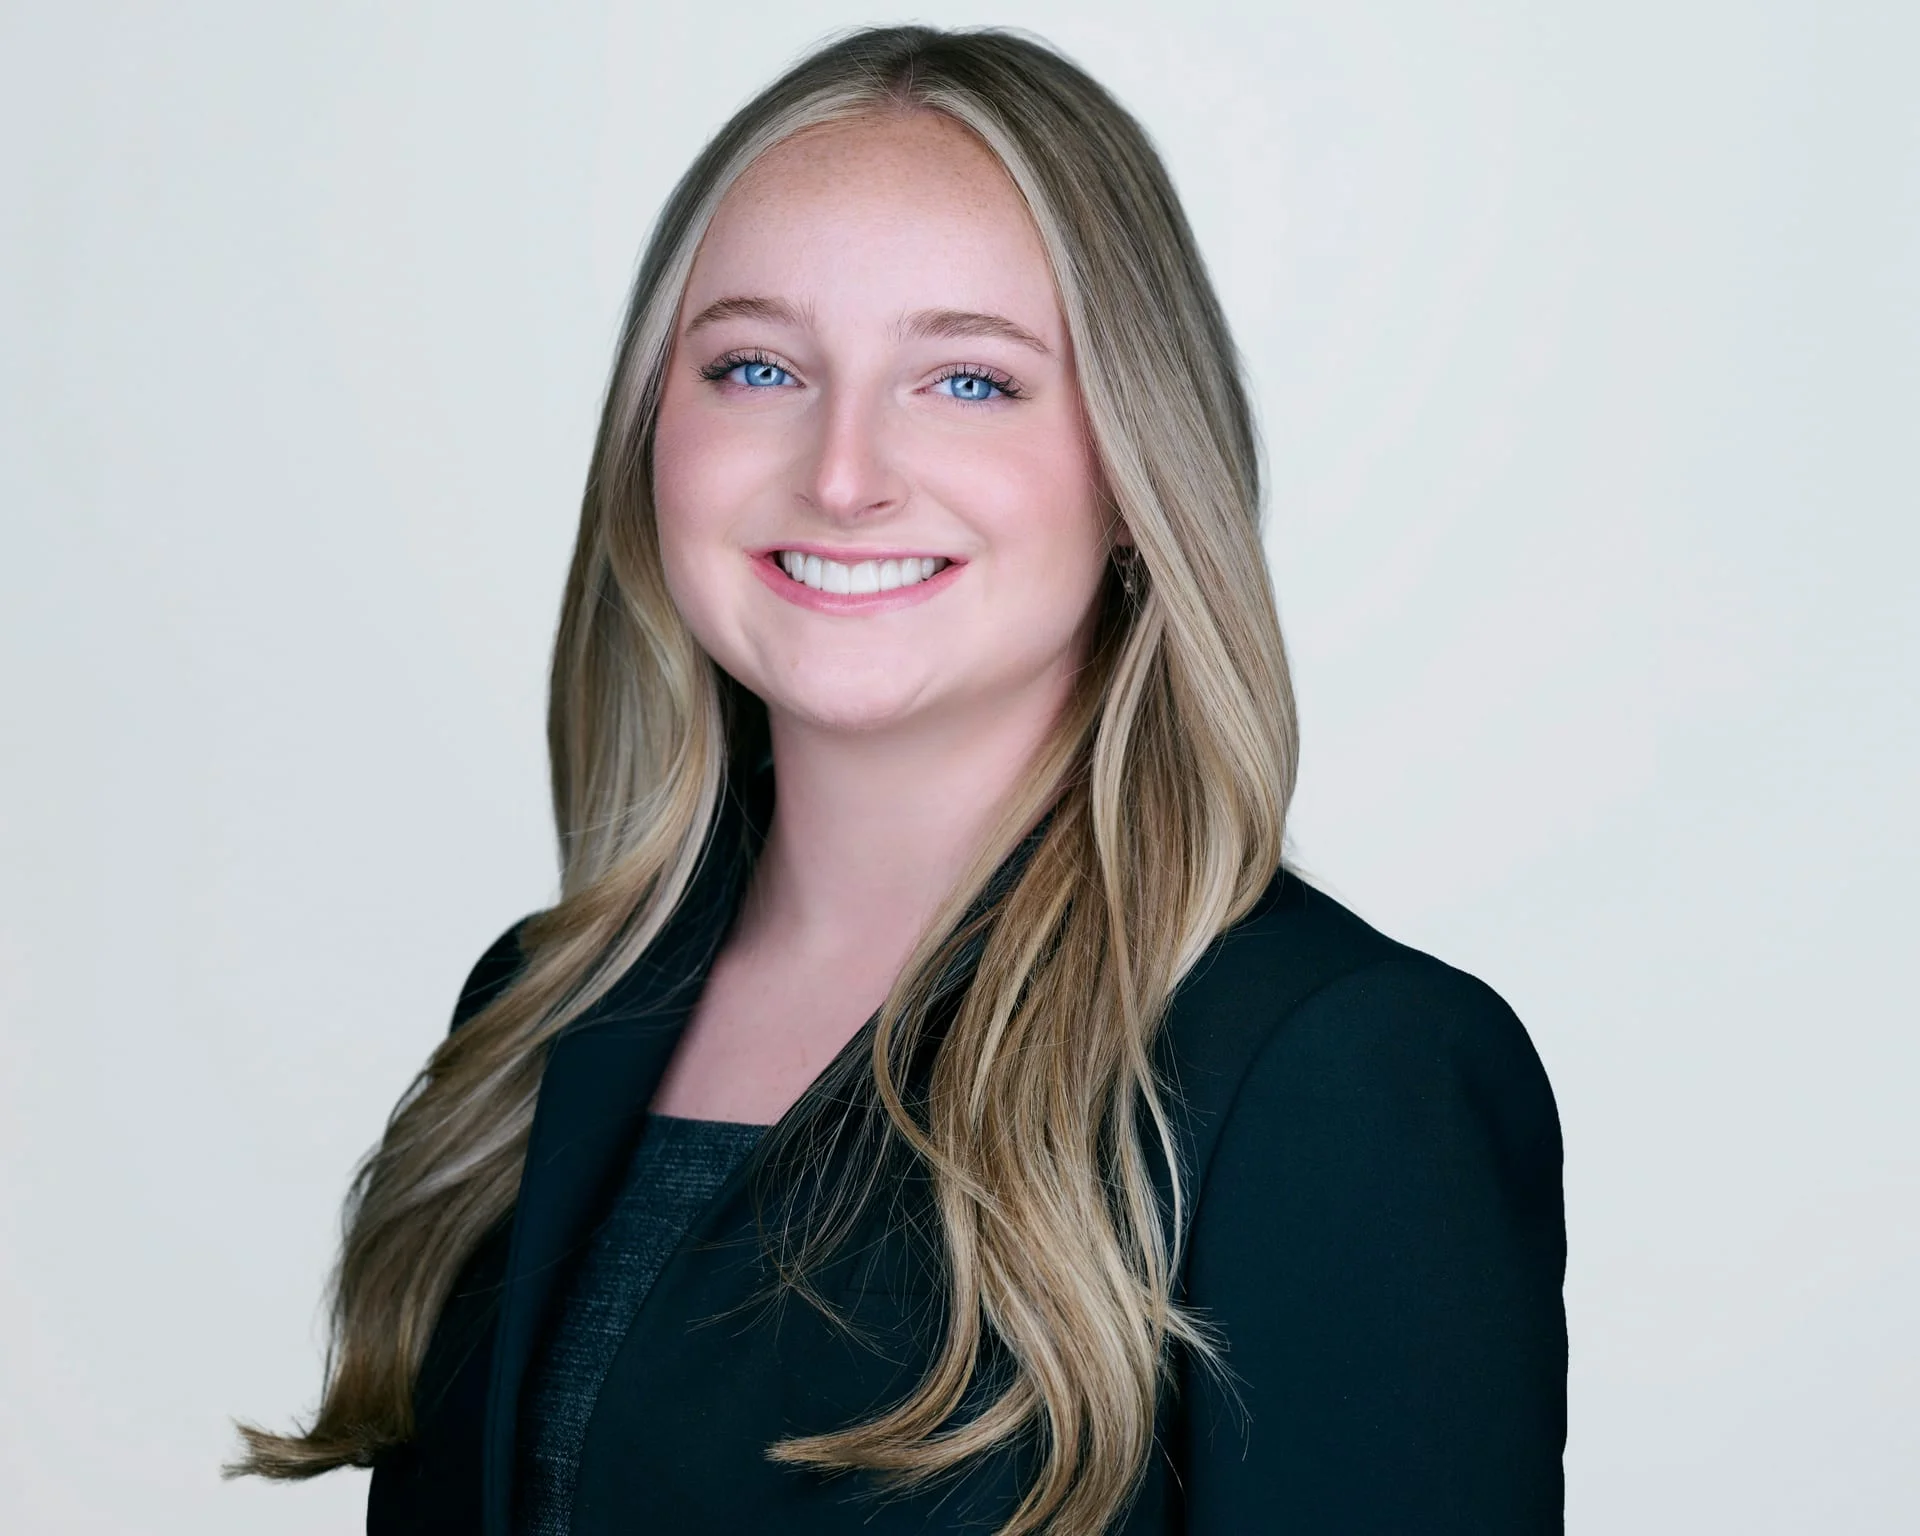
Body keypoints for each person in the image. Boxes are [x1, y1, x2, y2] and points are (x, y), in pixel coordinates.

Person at [234, 25, 1565, 1535]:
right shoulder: (541, 1008)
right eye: (756, 366)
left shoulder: (1340, 1073)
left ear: (1136, 473)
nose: (844, 471)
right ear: (652, 442)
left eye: (970, 382)